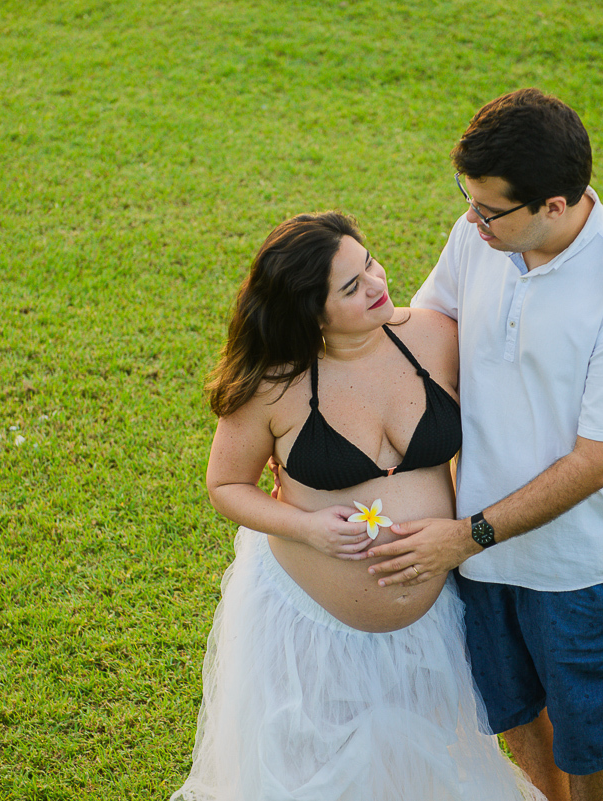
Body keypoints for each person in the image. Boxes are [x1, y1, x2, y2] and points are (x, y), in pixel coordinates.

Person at [367, 89, 603, 801]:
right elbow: (425, 334)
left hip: (582, 570)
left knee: (591, 736)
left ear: (557, 205)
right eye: (467, 200)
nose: (472, 221)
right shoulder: (479, 237)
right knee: (513, 713)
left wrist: (466, 536)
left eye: (490, 209)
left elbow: (601, 459)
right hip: (482, 554)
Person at [171, 211, 543, 800]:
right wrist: (308, 527)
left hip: (432, 626)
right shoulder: (273, 382)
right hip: (311, 634)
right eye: (351, 286)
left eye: (369, 262)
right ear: (308, 311)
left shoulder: (434, 337)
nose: (376, 284)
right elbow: (225, 487)